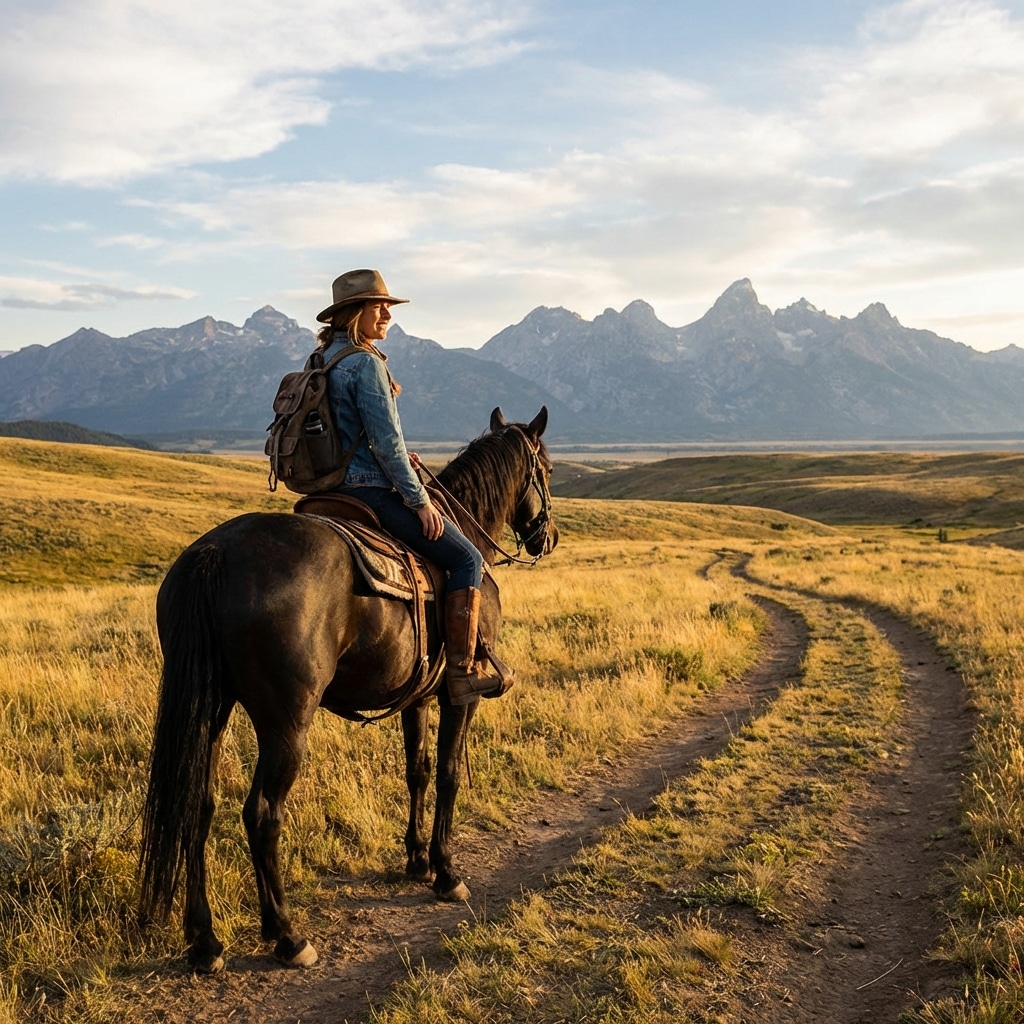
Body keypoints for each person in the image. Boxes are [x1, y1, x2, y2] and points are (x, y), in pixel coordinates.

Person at [315, 268, 502, 706]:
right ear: (352, 313)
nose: (387, 315)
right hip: (369, 491)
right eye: (377, 306)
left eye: (388, 307)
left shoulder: (322, 361)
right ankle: (460, 673)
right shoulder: (364, 364)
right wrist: (420, 502)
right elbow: (384, 443)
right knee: (466, 557)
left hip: (327, 493)